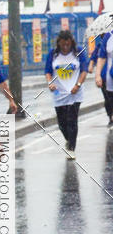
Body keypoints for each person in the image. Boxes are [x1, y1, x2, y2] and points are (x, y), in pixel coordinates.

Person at [44, 30, 88, 159]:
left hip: (75, 93)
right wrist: (50, 83)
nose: (65, 47)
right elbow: (47, 71)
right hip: (59, 93)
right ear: (59, 43)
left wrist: (78, 85)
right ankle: (69, 140)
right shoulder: (53, 54)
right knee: (62, 124)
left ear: (71, 43)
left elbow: (84, 71)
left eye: (67, 45)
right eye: (63, 45)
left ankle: (71, 148)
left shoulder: (78, 52)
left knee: (72, 121)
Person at [95, 30, 113, 128]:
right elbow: (100, 57)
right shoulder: (108, 37)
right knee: (108, 99)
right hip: (109, 79)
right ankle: (110, 116)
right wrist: (97, 75)